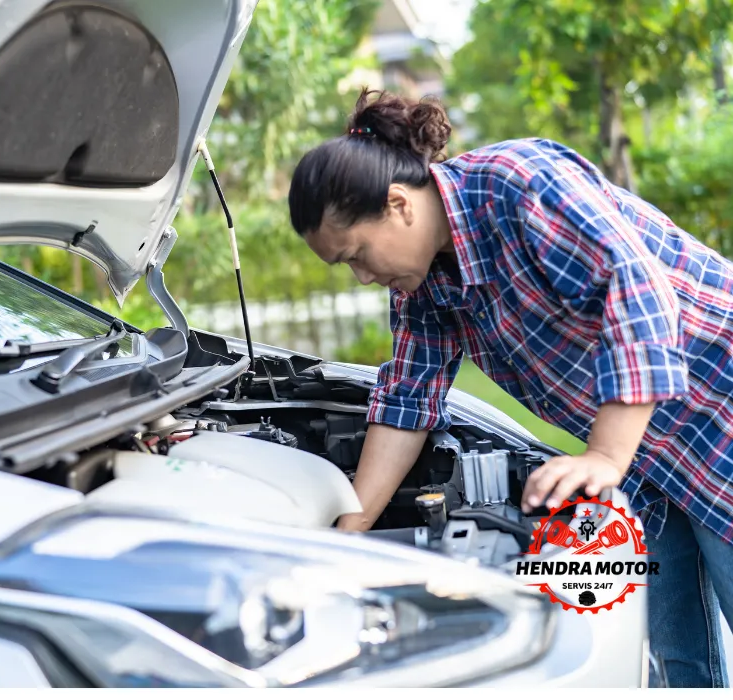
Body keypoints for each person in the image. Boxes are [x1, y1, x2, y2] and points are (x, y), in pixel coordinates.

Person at [288, 87, 733, 688]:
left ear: (398, 205)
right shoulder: (421, 287)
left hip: (716, 413)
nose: (364, 276)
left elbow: (638, 292)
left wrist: (604, 454)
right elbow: (407, 401)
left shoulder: (520, 186)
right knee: (669, 655)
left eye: (357, 255)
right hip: (649, 453)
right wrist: (352, 533)